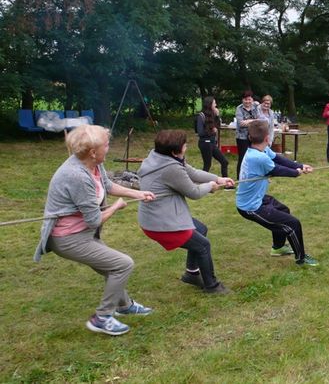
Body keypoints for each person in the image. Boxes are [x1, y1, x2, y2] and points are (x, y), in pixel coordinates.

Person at [35, 125, 157, 336]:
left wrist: (137, 194)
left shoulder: (94, 165)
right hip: (68, 238)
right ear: (93, 151)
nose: (109, 148)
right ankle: (102, 317)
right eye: (106, 145)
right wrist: (116, 206)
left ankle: (124, 305)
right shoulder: (77, 176)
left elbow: (108, 186)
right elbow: (93, 220)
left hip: (81, 234)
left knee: (111, 268)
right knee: (123, 264)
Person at [138, 130, 234, 294]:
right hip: (160, 222)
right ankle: (212, 286)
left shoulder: (161, 156)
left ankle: (191, 274)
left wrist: (217, 179)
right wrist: (210, 186)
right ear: (175, 151)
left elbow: (193, 173)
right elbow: (194, 192)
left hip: (162, 215)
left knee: (201, 230)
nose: (187, 147)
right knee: (203, 245)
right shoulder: (170, 168)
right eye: (184, 145)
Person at [236, 120, 318, 266]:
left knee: (283, 210)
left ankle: (278, 248)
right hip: (251, 207)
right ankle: (301, 258)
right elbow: (277, 170)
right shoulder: (257, 157)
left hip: (258, 198)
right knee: (293, 224)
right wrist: (296, 173)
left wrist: (300, 166)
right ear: (267, 138)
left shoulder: (260, 150)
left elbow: (277, 158)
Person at [196, 96, 229, 178]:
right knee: (207, 165)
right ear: (209, 104)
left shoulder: (212, 114)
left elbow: (217, 126)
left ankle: (226, 183)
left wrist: (217, 116)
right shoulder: (201, 116)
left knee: (224, 161)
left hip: (212, 143)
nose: (216, 105)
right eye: (214, 103)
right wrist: (211, 131)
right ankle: (200, 182)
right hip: (205, 143)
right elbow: (200, 132)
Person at [234, 90, 261, 179]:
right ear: (242, 100)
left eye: (249, 99)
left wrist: (248, 121)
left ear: (252, 100)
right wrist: (253, 121)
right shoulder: (239, 108)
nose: (247, 101)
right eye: (245, 99)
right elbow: (241, 123)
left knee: (254, 156)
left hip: (253, 136)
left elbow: (259, 119)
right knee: (243, 157)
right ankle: (240, 177)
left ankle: (251, 175)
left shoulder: (255, 107)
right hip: (242, 137)